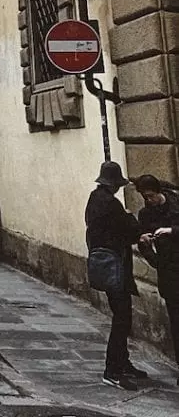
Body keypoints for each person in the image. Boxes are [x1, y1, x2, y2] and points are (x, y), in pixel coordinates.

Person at [85, 160, 146, 391]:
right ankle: (112, 370)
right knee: (122, 318)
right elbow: (129, 231)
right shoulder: (111, 205)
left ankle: (123, 362)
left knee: (122, 315)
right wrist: (130, 216)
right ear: (114, 184)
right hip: (116, 265)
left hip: (105, 263)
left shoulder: (94, 199)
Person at [135, 174, 179, 383]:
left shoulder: (176, 203)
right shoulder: (145, 214)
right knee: (176, 320)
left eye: (150, 196)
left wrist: (171, 231)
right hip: (169, 271)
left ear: (158, 191)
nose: (148, 200)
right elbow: (143, 244)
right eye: (145, 197)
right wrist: (155, 260)